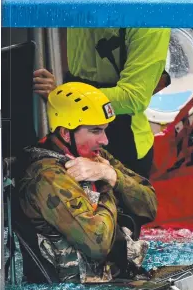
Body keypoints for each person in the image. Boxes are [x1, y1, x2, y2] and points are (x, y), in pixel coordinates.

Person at [14, 82, 158, 284]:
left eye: (105, 130)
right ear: (66, 133)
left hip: (110, 277)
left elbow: (150, 206)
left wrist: (111, 175)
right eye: (96, 131)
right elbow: (97, 244)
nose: (105, 140)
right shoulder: (47, 176)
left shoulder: (94, 156)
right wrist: (105, 186)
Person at [33, 28, 171, 178]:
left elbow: (132, 97)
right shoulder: (78, 6)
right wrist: (63, 96)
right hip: (74, 129)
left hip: (123, 139)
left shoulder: (150, 26)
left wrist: (64, 96)